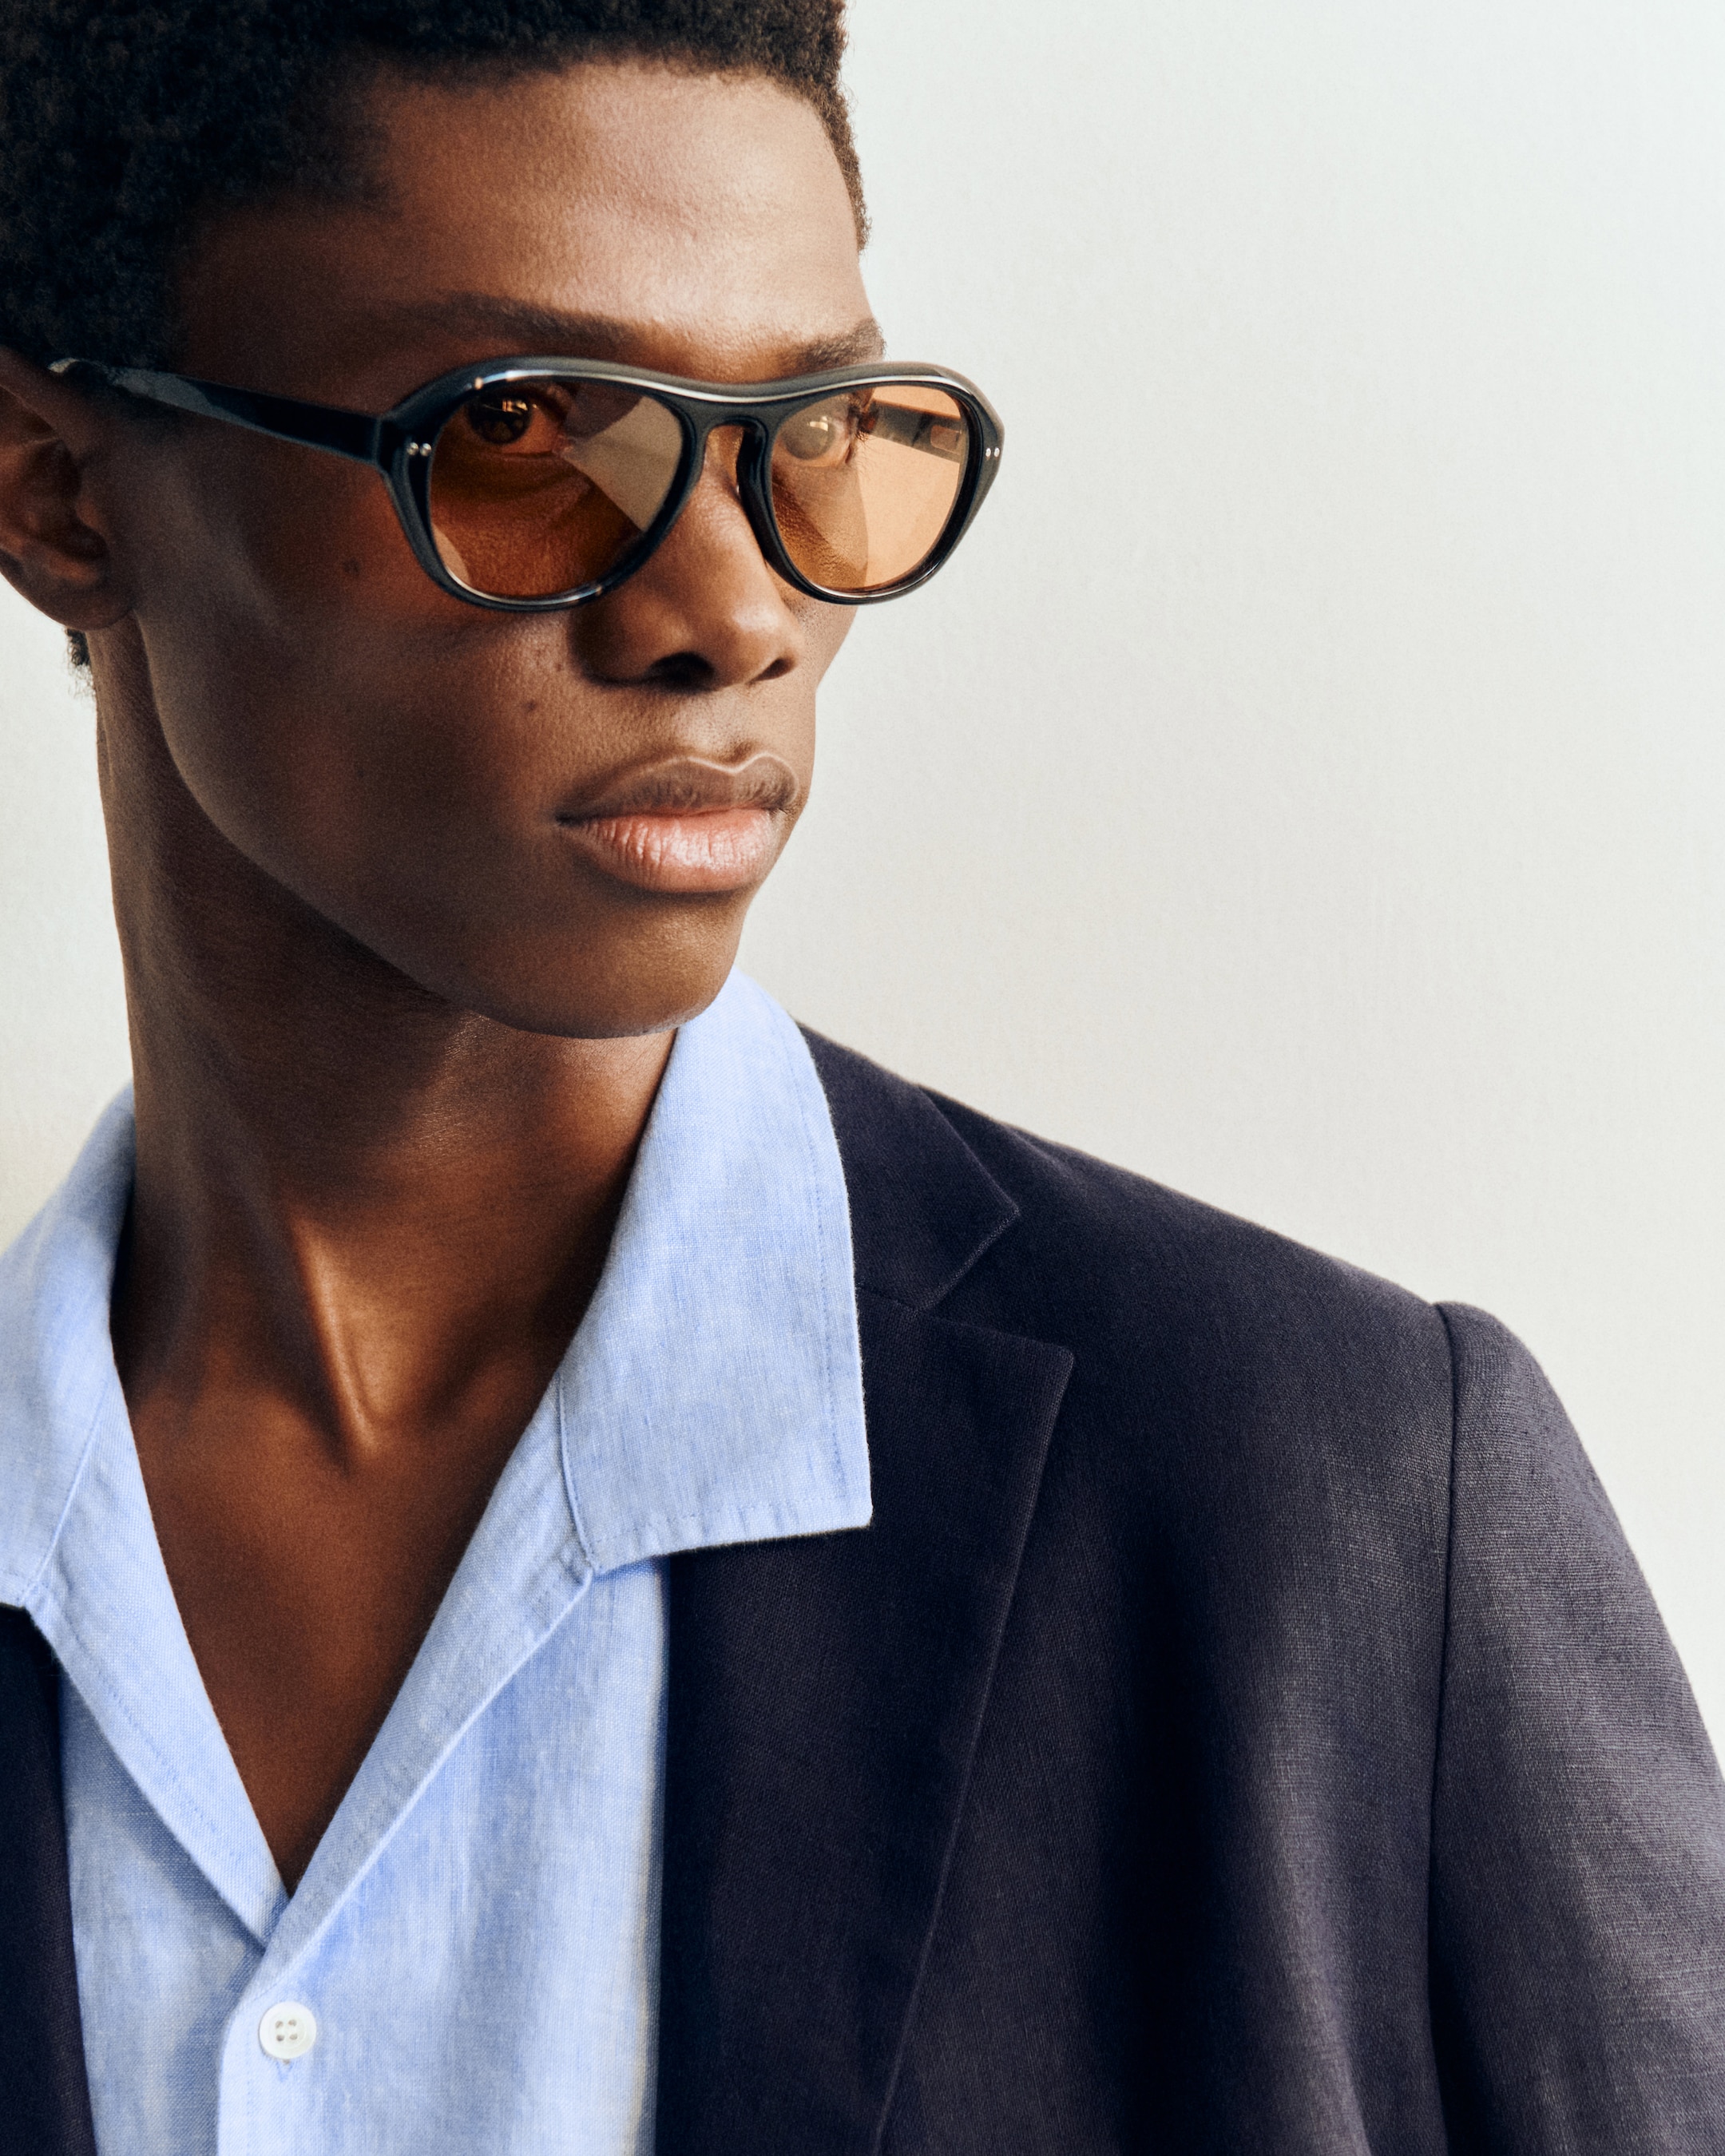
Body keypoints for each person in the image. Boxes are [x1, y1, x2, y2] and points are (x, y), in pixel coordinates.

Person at [0, 2, 1721, 2150]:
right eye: (534, 433)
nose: (734, 610)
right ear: (61, 496)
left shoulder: (1332, 1502)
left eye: (817, 431)